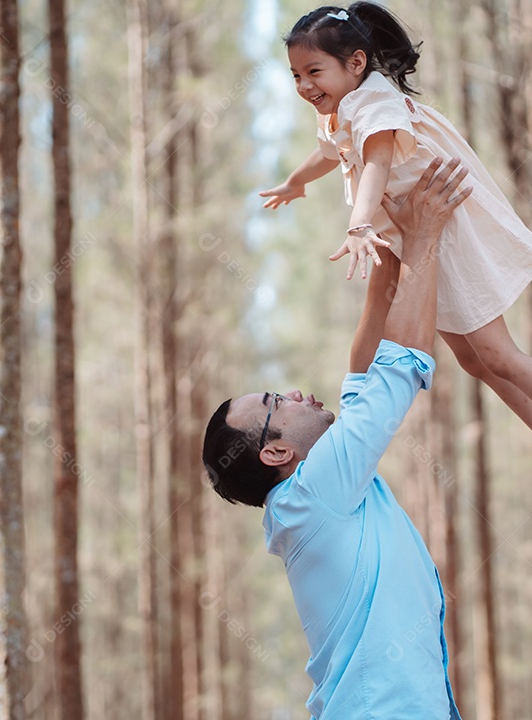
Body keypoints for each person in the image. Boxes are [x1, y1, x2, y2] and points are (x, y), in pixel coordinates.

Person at [259, 2, 532, 509]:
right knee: (473, 359)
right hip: (421, 239)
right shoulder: (343, 108)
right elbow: (329, 153)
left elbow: (377, 165)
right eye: (296, 75)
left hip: (448, 233)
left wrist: (360, 223)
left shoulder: (375, 105)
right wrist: (295, 183)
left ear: (357, 63)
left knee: (498, 352)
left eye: (314, 72)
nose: (304, 85)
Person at [204, 157, 469, 719]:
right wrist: (424, 239)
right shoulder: (313, 492)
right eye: (278, 404)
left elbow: (365, 364)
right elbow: (396, 373)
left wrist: (391, 245)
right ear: (276, 452)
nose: (298, 392)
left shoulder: (317, 488)